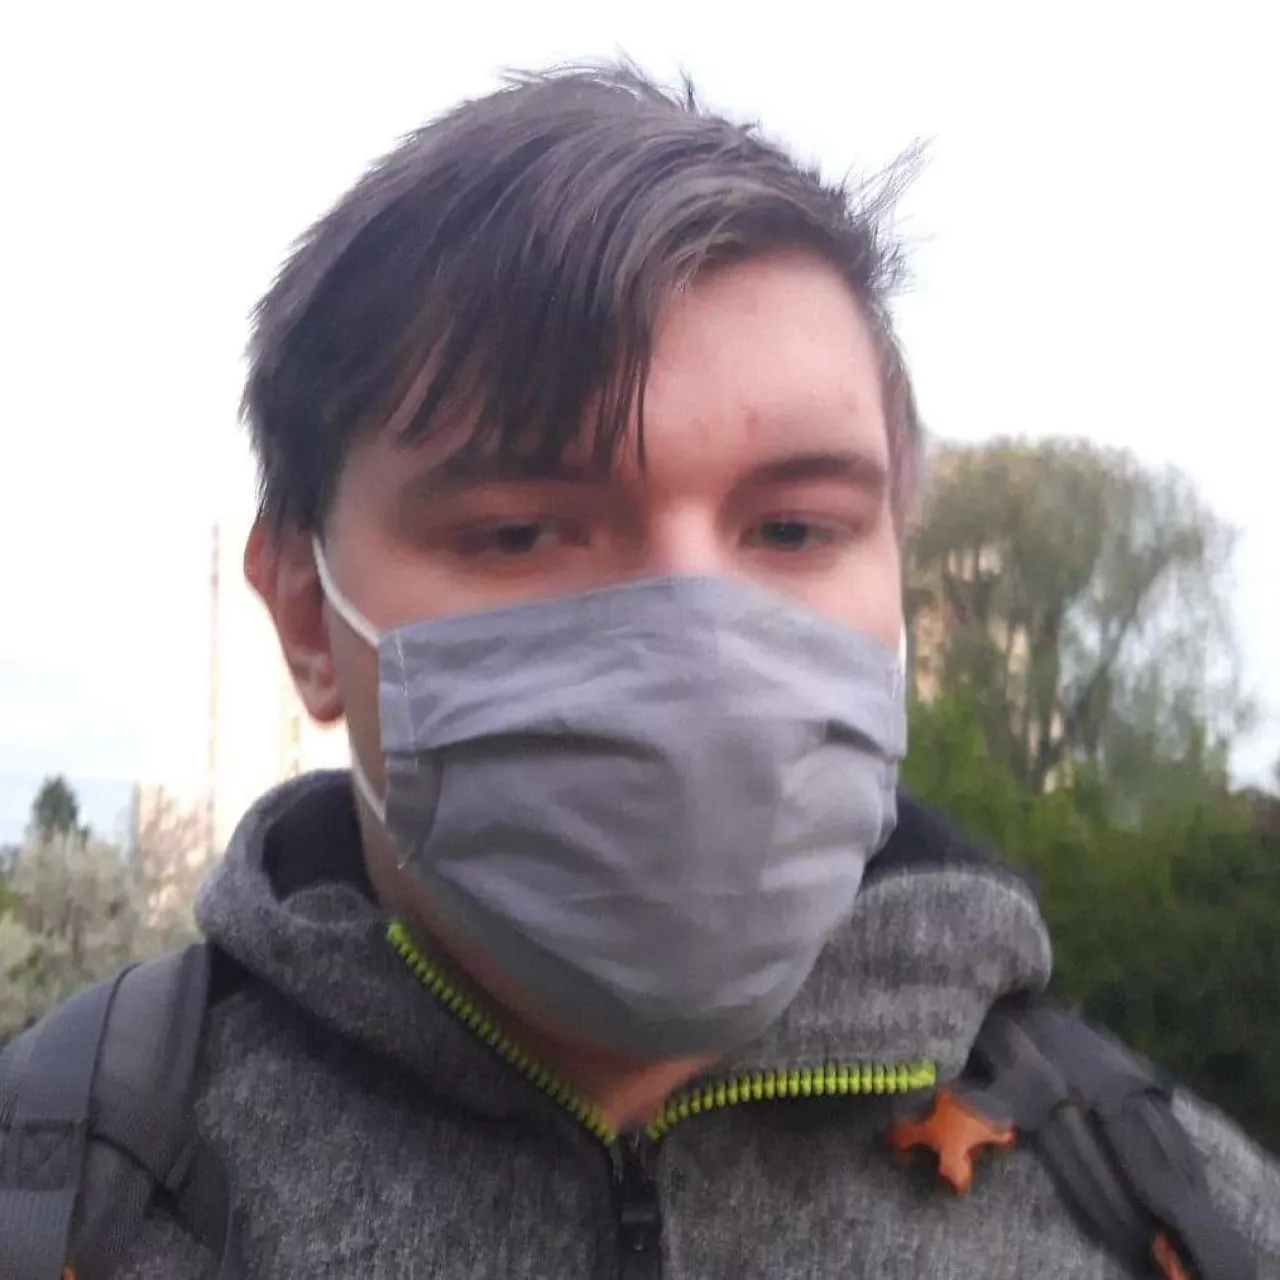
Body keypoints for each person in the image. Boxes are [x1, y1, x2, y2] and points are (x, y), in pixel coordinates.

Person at [8, 63, 1280, 1279]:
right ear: (303, 613)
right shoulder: (67, 1198)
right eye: (521, 532)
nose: (700, 649)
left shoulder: (1171, 1214)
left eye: (793, 528)